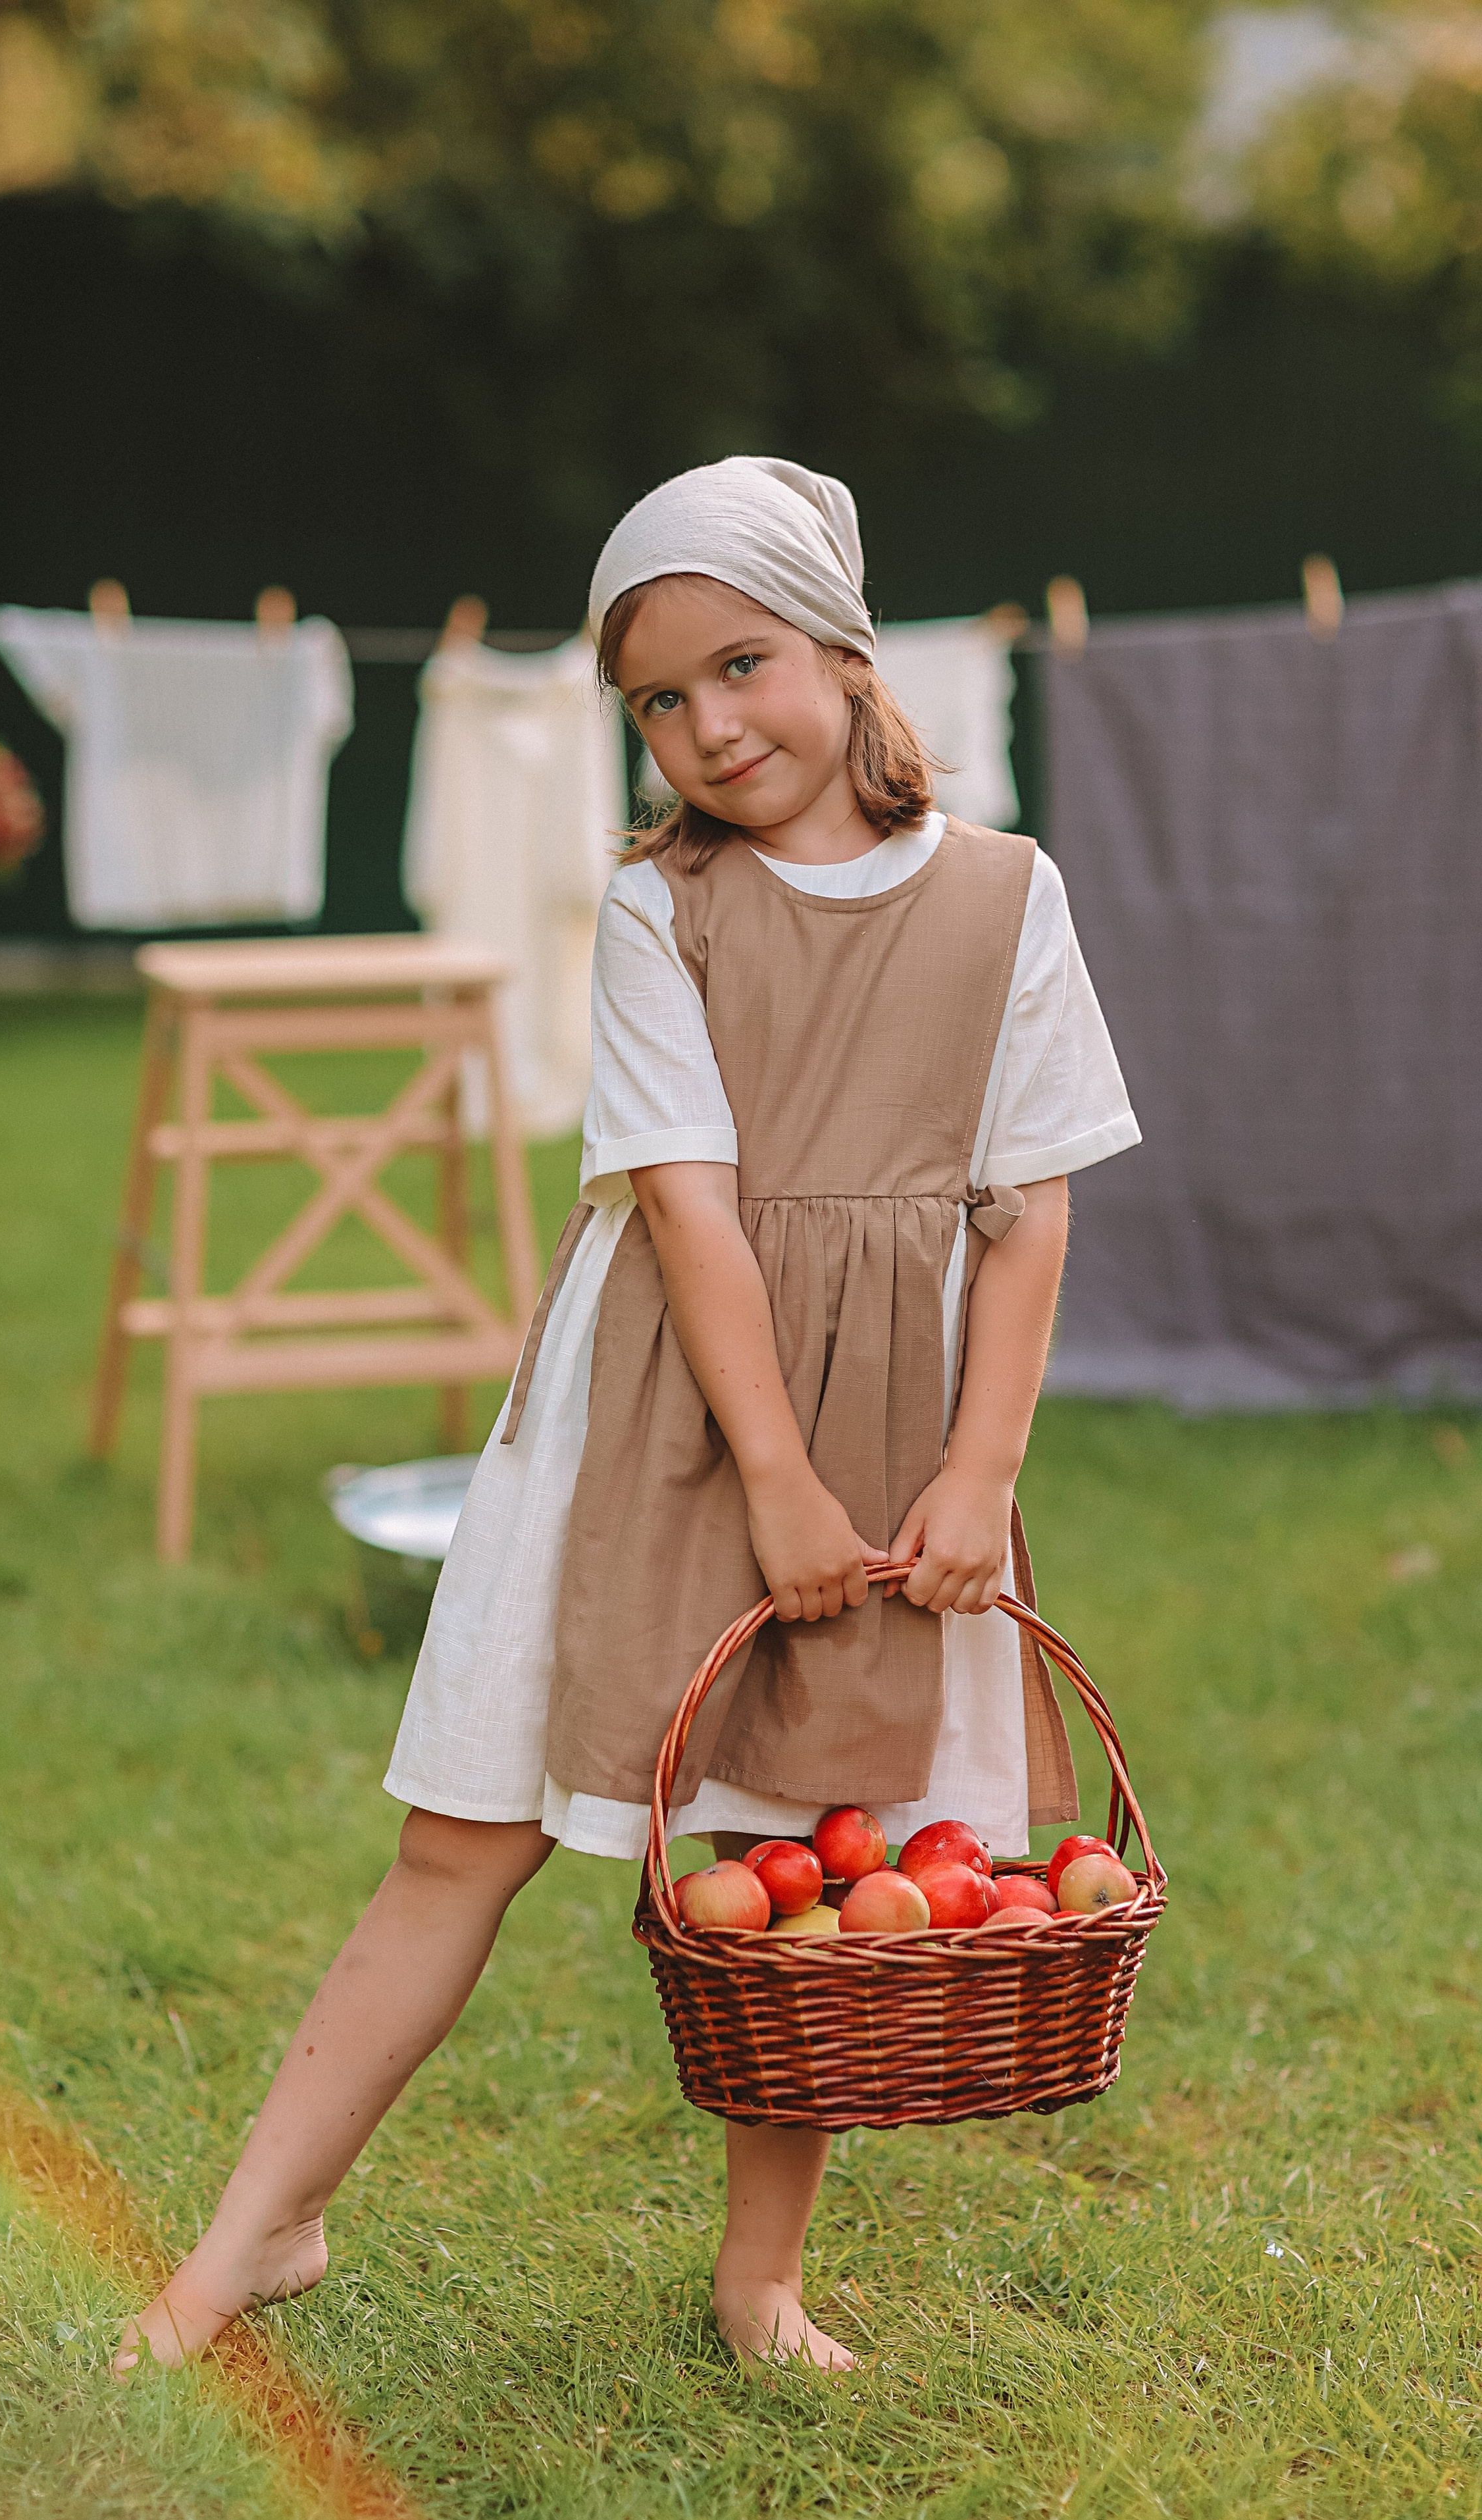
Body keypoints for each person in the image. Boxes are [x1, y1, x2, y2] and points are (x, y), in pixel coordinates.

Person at [115, 457, 1140, 2380]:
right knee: (462, 1832)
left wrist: (978, 1469)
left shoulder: (1011, 898)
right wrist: (771, 1478)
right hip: (655, 1421)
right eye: (660, 700)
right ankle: (255, 2235)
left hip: (900, 1431)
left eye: (739, 665)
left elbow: (1030, 1209)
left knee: (813, 1853)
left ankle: (762, 2277)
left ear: (841, 648)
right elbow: (689, 1206)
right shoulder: (661, 905)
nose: (709, 727)